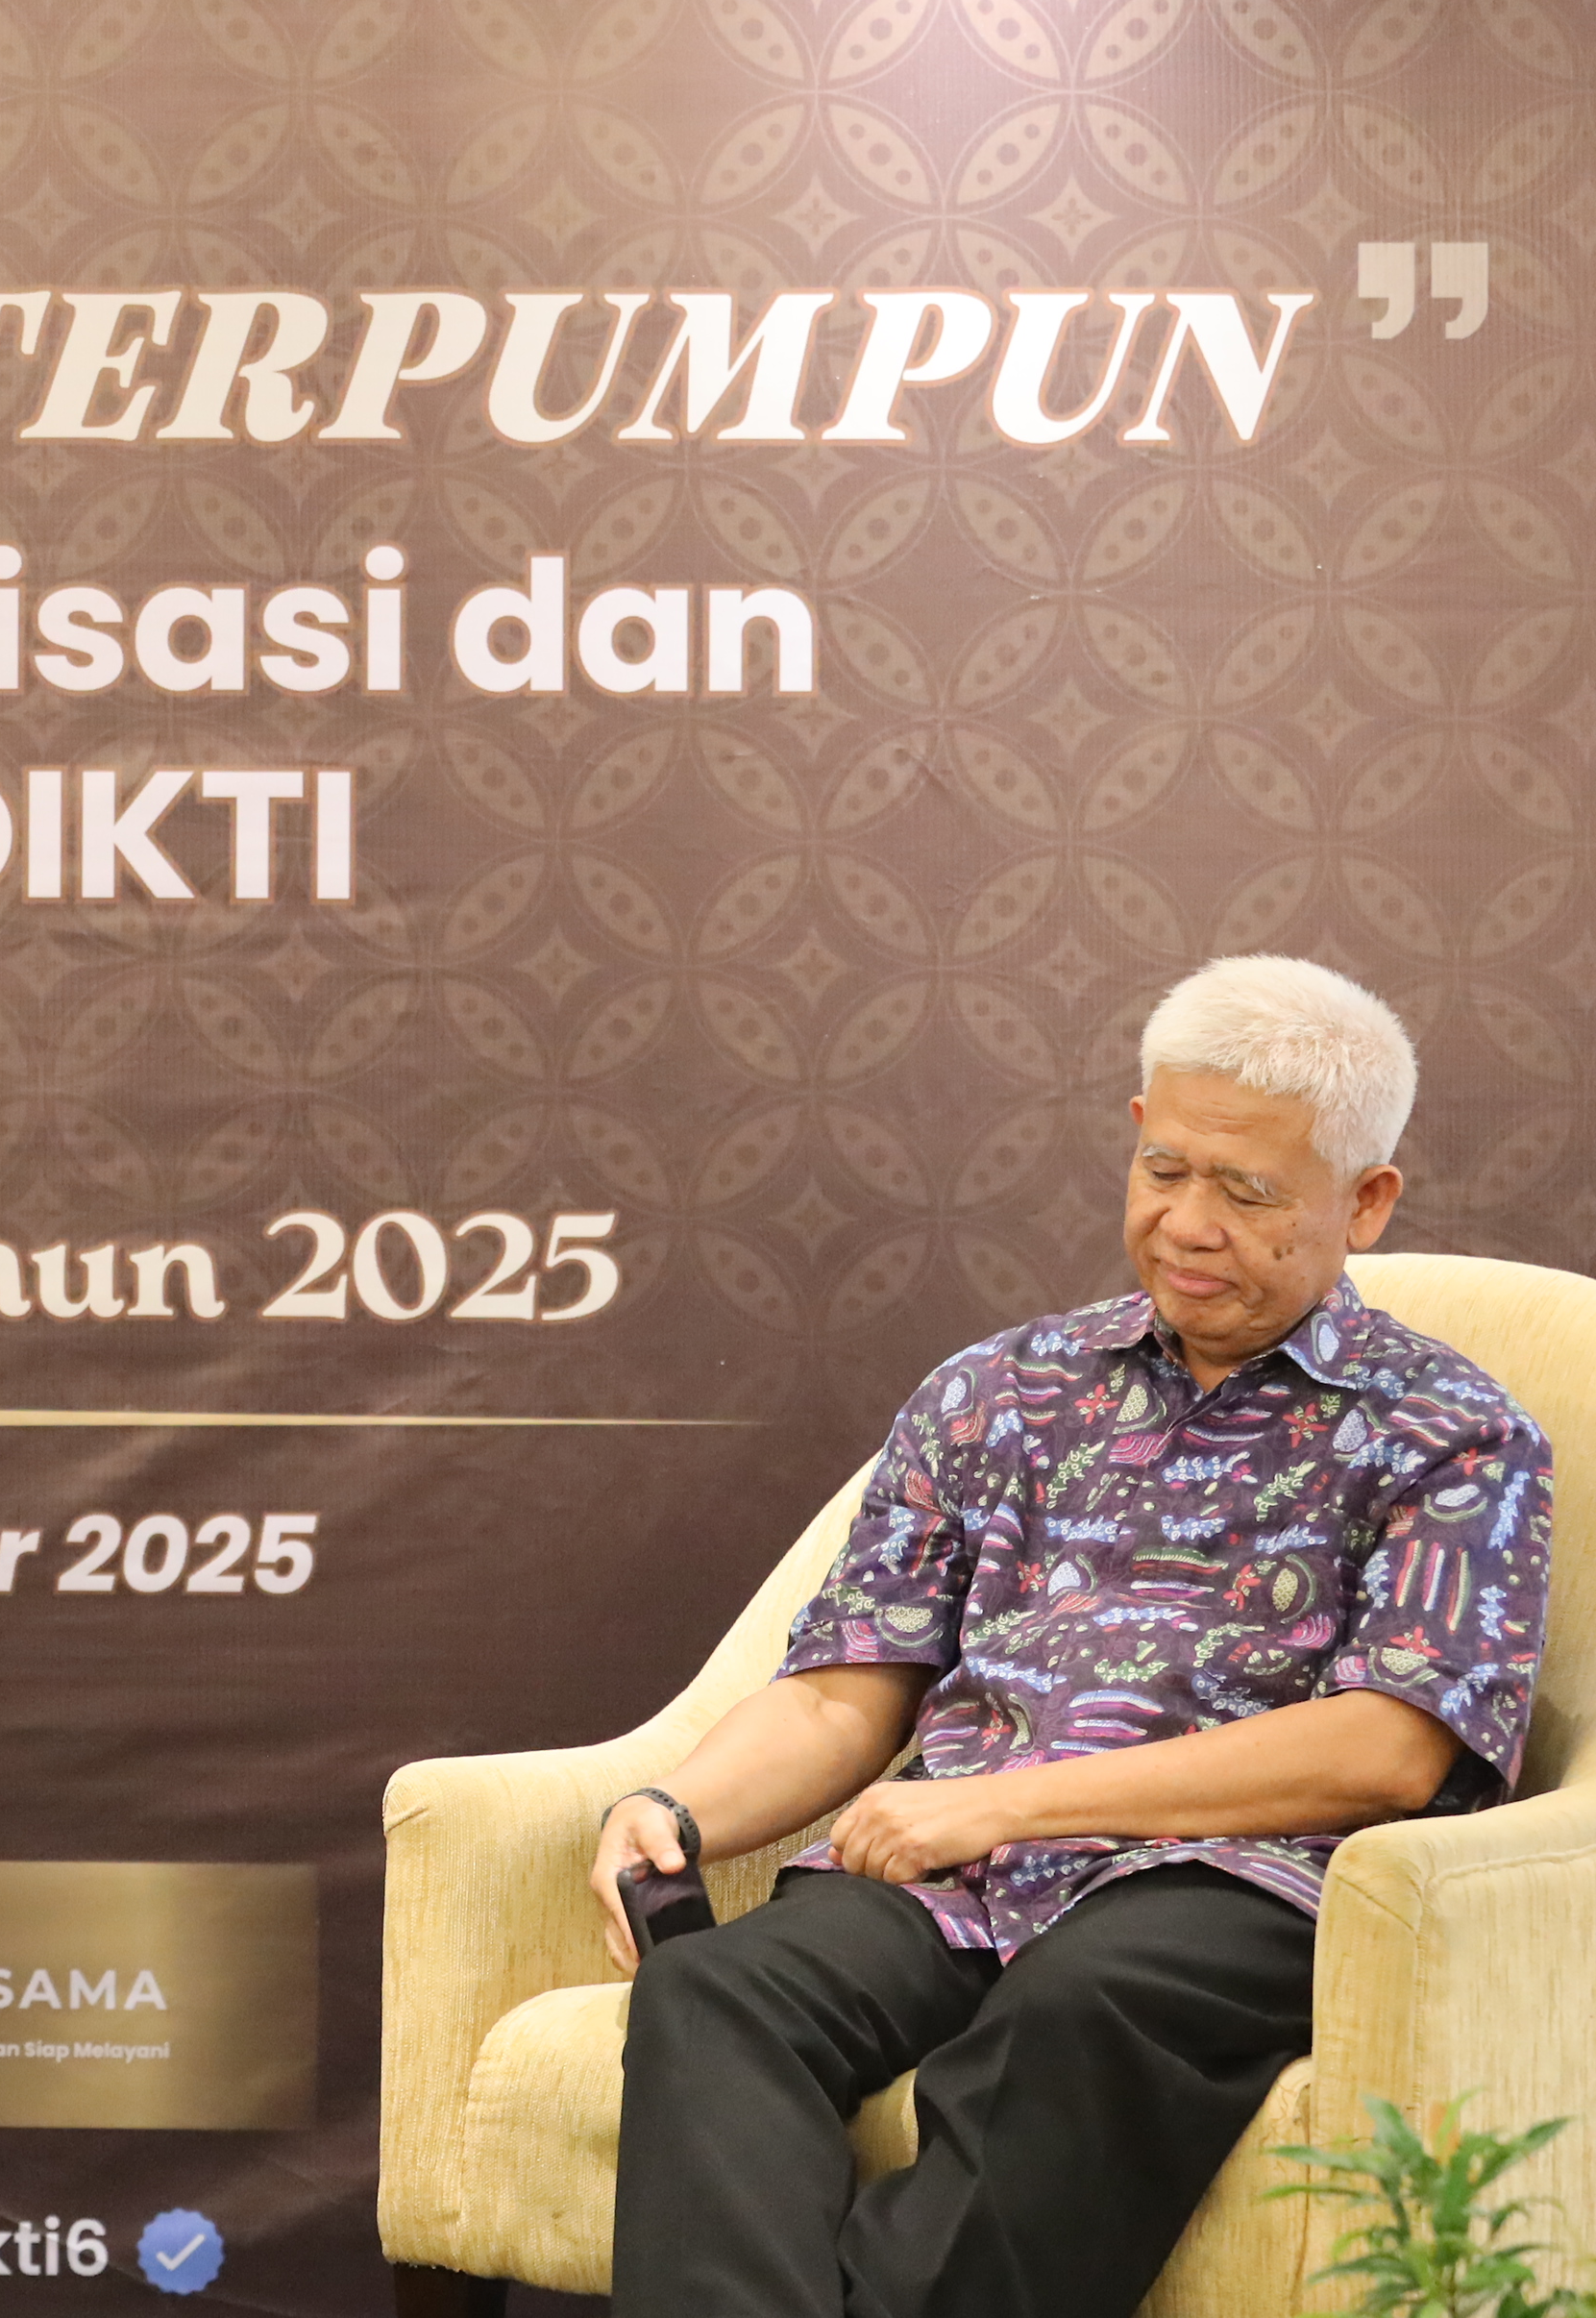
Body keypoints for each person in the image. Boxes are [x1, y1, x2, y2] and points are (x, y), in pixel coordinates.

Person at [595, 953, 1554, 2318]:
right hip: (949, 1873)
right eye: (1165, 1169)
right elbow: (839, 1693)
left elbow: (1391, 1748)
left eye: (1249, 1193)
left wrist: (1002, 1805)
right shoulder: (997, 1391)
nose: (1188, 1225)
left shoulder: (1453, 1432)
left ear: (1366, 1200)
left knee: (1085, 2001)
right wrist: (674, 1807)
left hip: (1231, 1884)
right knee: (714, 1991)